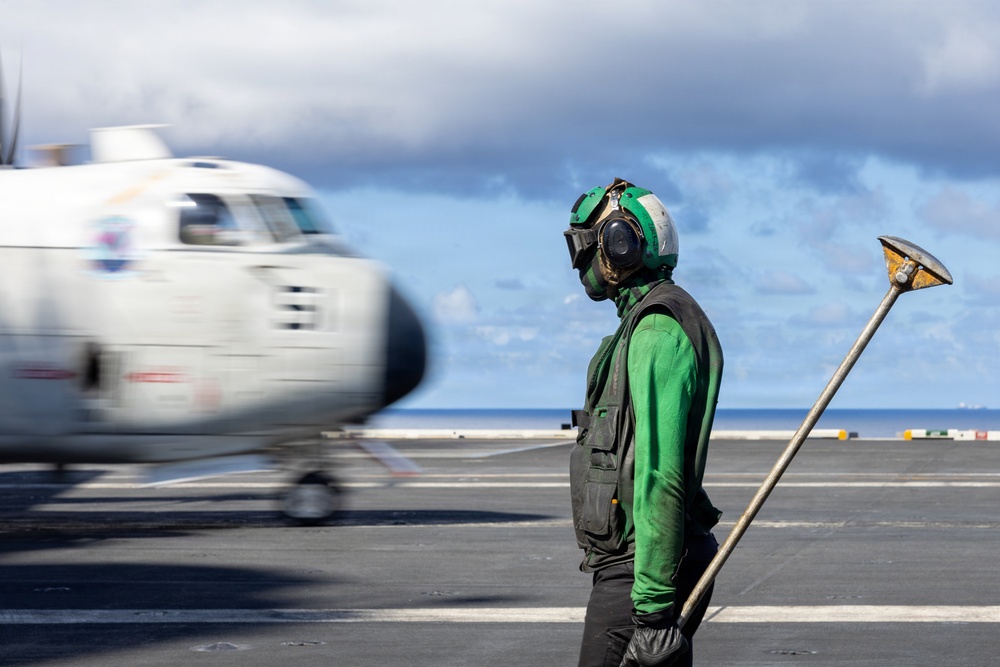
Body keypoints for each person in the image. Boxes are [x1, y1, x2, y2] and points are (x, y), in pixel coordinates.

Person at [564, 178, 724, 667]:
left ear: (618, 244)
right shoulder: (642, 324)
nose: (578, 262)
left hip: (642, 569)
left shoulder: (657, 329)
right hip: (645, 561)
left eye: (583, 246)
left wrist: (652, 612)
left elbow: (659, 474)